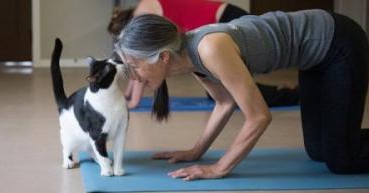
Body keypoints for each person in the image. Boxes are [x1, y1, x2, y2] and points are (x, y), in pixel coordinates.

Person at [114, 9, 369, 181]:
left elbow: (259, 116)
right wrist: (195, 151)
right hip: (314, 57)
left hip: (338, 42)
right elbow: (224, 103)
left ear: (163, 57)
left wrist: (220, 167)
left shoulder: (210, 48)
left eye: (134, 65)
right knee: (318, 152)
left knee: (341, 161)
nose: (133, 76)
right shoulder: (188, 58)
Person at [108, 0, 299, 109]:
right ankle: (285, 90)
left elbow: (144, 58)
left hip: (226, 21)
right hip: (222, 20)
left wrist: (133, 101)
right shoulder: (144, 9)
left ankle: (293, 95)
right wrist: (127, 95)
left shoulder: (143, 17)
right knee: (224, 89)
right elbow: (139, 61)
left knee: (228, 90)